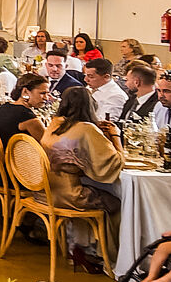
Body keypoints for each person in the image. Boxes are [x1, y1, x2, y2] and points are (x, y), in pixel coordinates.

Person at [41, 86, 124, 270]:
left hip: (48, 191)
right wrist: (115, 136)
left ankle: (80, 247)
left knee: (96, 193)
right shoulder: (86, 129)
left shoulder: (55, 124)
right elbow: (111, 164)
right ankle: (105, 255)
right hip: (72, 195)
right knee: (116, 203)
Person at [0, 72, 49, 145]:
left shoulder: (4, 107)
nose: (46, 98)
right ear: (25, 91)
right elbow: (49, 145)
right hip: (16, 156)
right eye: (42, 93)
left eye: (48, 93)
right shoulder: (28, 117)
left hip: (0, 155)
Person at [80, 57, 125, 122]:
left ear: (106, 77)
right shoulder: (91, 87)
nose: (85, 79)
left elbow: (106, 123)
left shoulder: (116, 96)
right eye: (85, 75)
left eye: (91, 76)